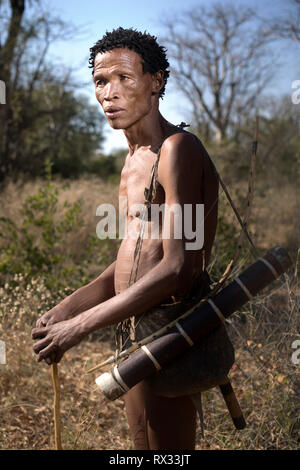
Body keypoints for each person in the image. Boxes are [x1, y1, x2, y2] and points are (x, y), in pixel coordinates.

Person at [32, 27, 234, 450]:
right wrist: (67, 308)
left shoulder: (177, 150)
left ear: (156, 81)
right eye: (101, 81)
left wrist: (81, 326)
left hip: (171, 328)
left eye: (125, 78)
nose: (111, 93)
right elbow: (131, 258)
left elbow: (179, 267)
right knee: (140, 443)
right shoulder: (132, 162)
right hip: (133, 329)